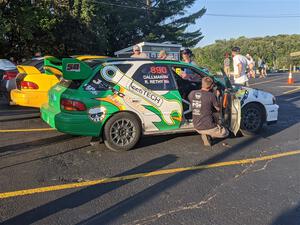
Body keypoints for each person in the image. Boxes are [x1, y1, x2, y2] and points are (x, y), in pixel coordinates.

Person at [188, 76, 229, 146]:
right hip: (208, 127)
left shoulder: (192, 93)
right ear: (211, 86)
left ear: (202, 83)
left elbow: (192, 100)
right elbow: (218, 109)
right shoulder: (211, 96)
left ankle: (205, 133)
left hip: (196, 126)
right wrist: (217, 96)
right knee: (226, 132)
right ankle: (208, 134)